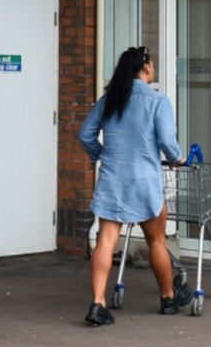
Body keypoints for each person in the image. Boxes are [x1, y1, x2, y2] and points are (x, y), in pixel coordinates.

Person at [75, 45, 186, 326]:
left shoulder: (110, 99)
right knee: (156, 241)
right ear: (146, 67)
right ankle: (168, 298)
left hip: (113, 179)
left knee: (106, 240)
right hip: (145, 182)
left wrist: (101, 156)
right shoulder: (157, 101)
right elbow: (167, 142)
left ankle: (98, 303)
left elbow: (85, 133)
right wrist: (177, 157)